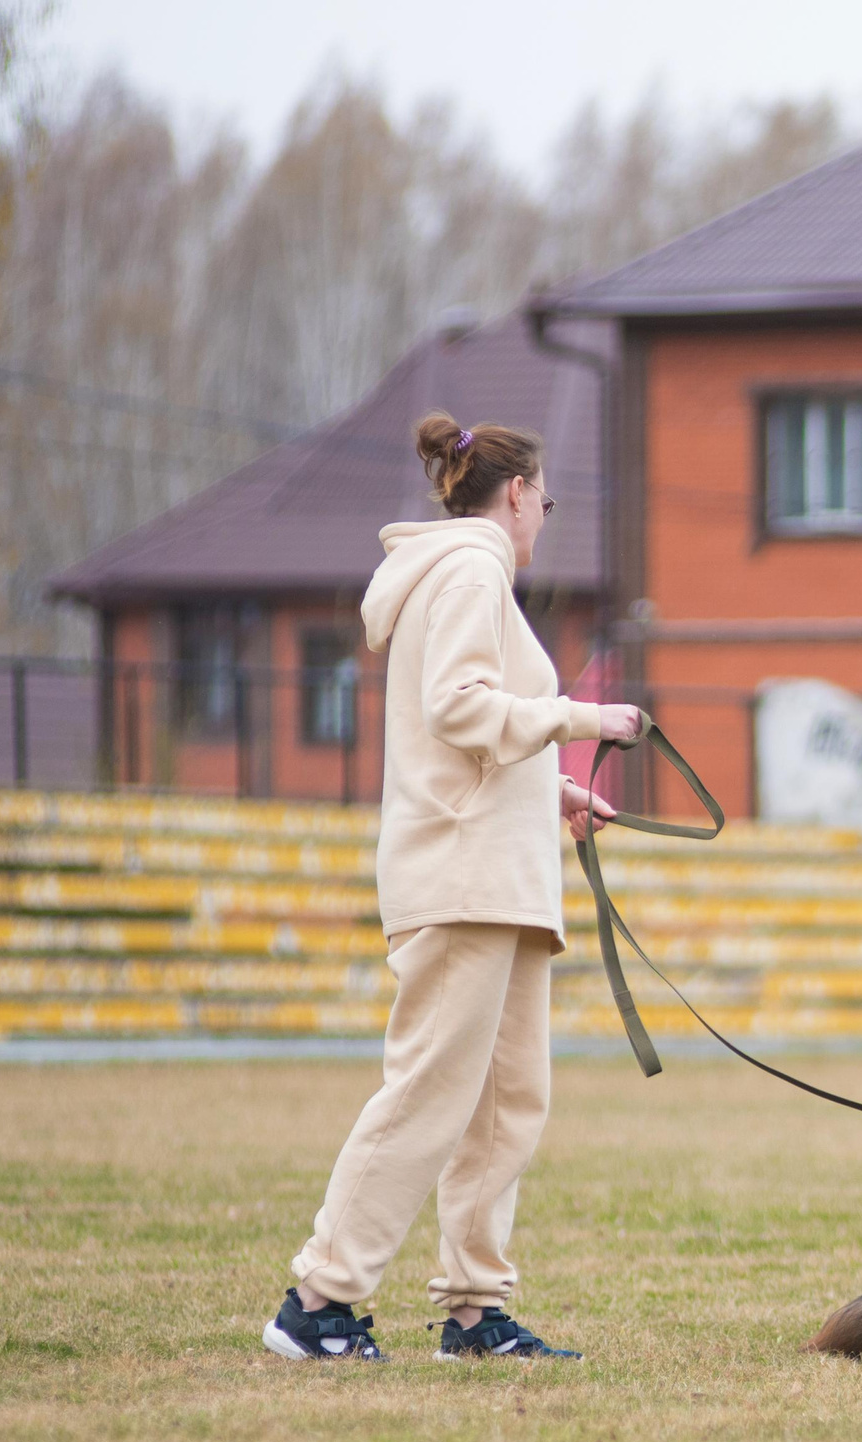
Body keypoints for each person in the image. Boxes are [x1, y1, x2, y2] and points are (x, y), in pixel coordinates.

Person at [263, 411, 639, 1362]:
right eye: (543, 500)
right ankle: (319, 1302)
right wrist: (583, 717)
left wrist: (552, 790)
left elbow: (464, 736)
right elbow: (463, 708)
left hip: (499, 880)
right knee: (429, 1093)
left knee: (508, 1103)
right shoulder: (472, 569)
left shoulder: (473, 576)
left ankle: (475, 1310)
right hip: (464, 882)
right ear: (515, 493)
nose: (543, 517)